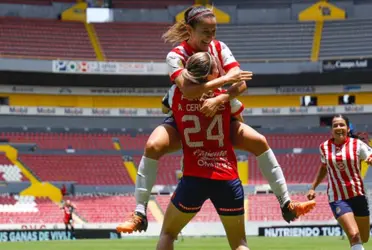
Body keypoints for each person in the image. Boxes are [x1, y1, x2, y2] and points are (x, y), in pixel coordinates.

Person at [117, 5, 314, 233]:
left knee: (259, 141)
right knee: (152, 145)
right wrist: (222, 82)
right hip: (186, 118)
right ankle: (140, 213)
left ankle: (286, 203)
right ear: (189, 30)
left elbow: (240, 84)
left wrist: (218, 100)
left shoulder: (220, 48)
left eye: (214, 31)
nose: (211, 37)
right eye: (205, 32)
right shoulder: (175, 55)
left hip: (219, 118)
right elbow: (188, 91)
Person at [307, 114, 372, 250]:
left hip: (358, 195)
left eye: (341, 124)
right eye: (335, 125)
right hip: (338, 197)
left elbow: (370, 156)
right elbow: (324, 167)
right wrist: (313, 187)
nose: (338, 127)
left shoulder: (357, 145)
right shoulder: (324, 147)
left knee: (364, 237)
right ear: (331, 130)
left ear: (348, 129)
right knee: (354, 235)